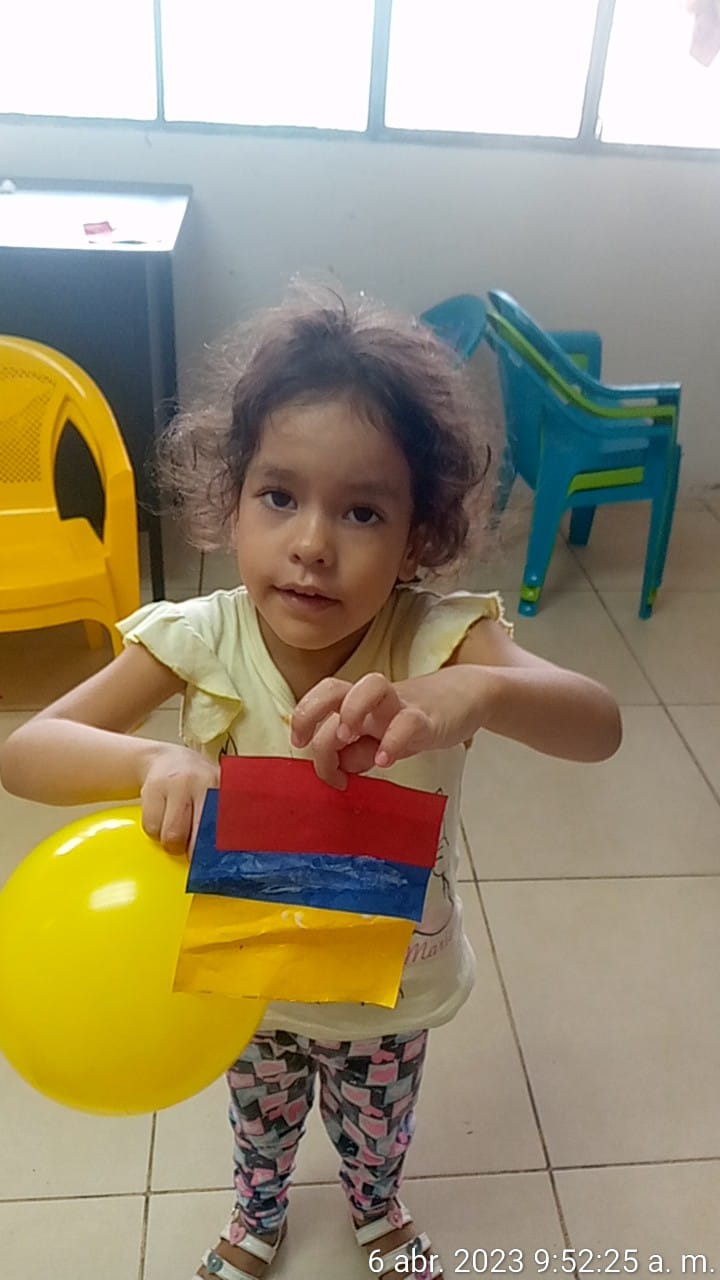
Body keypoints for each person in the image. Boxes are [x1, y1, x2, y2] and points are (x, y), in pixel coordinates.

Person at [0, 287, 622, 1280]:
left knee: (379, 1127)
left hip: (390, 989)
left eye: (362, 510)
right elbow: (28, 749)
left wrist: (476, 690)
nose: (313, 543)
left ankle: (378, 1210)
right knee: (260, 1121)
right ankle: (258, 1213)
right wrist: (154, 759)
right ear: (230, 500)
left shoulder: (439, 638)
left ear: (417, 535)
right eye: (279, 496)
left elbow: (599, 725)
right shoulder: (199, 637)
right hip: (247, 985)